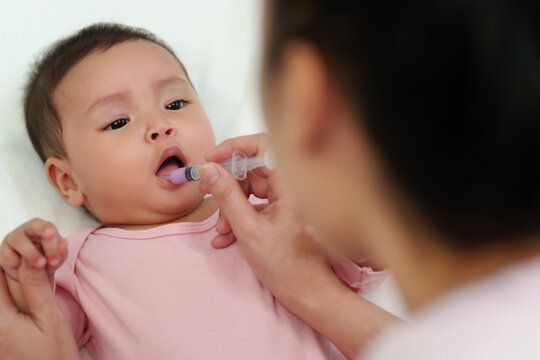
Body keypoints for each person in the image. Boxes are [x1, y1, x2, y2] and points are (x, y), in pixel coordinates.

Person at [0, 23, 392, 359]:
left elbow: (370, 255)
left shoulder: (268, 213)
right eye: (118, 121)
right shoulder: (80, 264)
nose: (161, 124)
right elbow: (36, 335)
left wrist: (325, 197)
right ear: (69, 181)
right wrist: (25, 274)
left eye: (175, 102)